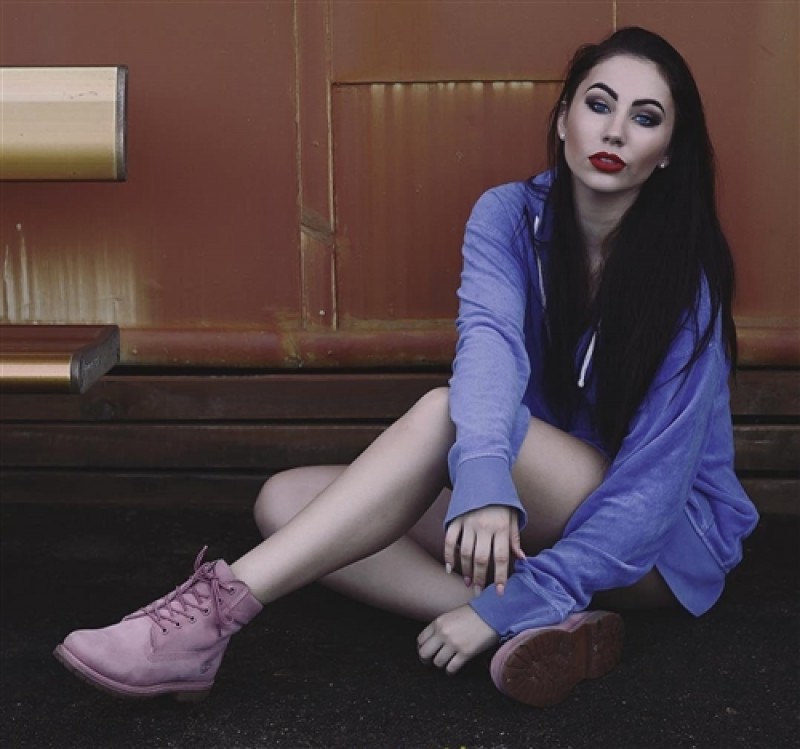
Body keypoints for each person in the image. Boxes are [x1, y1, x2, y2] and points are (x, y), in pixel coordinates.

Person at [54, 27, 759, 708]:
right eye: (599, 104)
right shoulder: (509, 216)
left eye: (645, 117)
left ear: (668, 151)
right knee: (286, 503)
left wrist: (494, 496)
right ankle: (535, 623)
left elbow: (650, 493)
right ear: (563, 116)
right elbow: (489, 348)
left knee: (442, 412)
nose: (615, 132)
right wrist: (485, 478)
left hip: (659, 544)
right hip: (535, 501)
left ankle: (201, 625)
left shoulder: (684, 279)